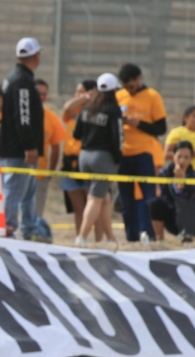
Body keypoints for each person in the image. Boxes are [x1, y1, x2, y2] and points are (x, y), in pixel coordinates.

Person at [0, 38, 45, 241]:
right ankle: (8, 228)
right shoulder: (23, 81)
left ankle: (29, 229)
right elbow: (23, 115)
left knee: (26, 191)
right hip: (19, 149)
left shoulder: (15, 77)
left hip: (15, 146)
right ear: (36, 56)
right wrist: (29, 146)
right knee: (15, 189)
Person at [115, 64, 167, 243]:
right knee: (126, 201)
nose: (128, 90)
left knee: (149, 198)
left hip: (144, 154)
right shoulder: (118, 96)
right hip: (123, 155)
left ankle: (150, 236)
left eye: (131, 85)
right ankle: (132, 239)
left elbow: (161, 128)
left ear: (139, 79)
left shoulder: (152, 96)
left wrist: (140, 124)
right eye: (125, 86)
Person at [73, 74, 124, 245]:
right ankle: (82, 236)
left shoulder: (87, 108)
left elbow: (76, 134)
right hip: (103, 158)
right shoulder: (113, 110)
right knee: (95, 198)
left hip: (84, 157)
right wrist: (117, 157)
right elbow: (118, 136)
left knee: (103, 198)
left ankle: (110, 238)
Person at [149, 141, 195, 241]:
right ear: (173, 156)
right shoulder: (165, 173)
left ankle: (190, 236)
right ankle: (159, 239)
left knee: (187, 205)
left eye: (186, 157)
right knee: (155, 204)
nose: (182, 161)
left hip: (191, 217)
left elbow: (186, 199)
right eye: (179, 156)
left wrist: (181, 181)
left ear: (191, 158)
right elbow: (163, 195)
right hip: (173, 215)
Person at [59, 80, 97, 234]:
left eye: (81, 92)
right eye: (77, 92)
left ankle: (98, 239)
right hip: (70, 163)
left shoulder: (95, 111)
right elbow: (67, 108)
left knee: (94, 204)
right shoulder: (74, 112)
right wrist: (85, 97)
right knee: (78, 208)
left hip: (87, 161)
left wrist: (91, 98)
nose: (77, 95)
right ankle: (80, 237)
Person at [31, 79, 66, 229]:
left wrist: (50, 172)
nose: (41, 97)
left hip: (41, 174)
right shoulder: (21, 114)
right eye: (38, 94)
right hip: (21, 171)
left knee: (37, 213)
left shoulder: (51, 117)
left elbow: (56, 148)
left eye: (44, 94)